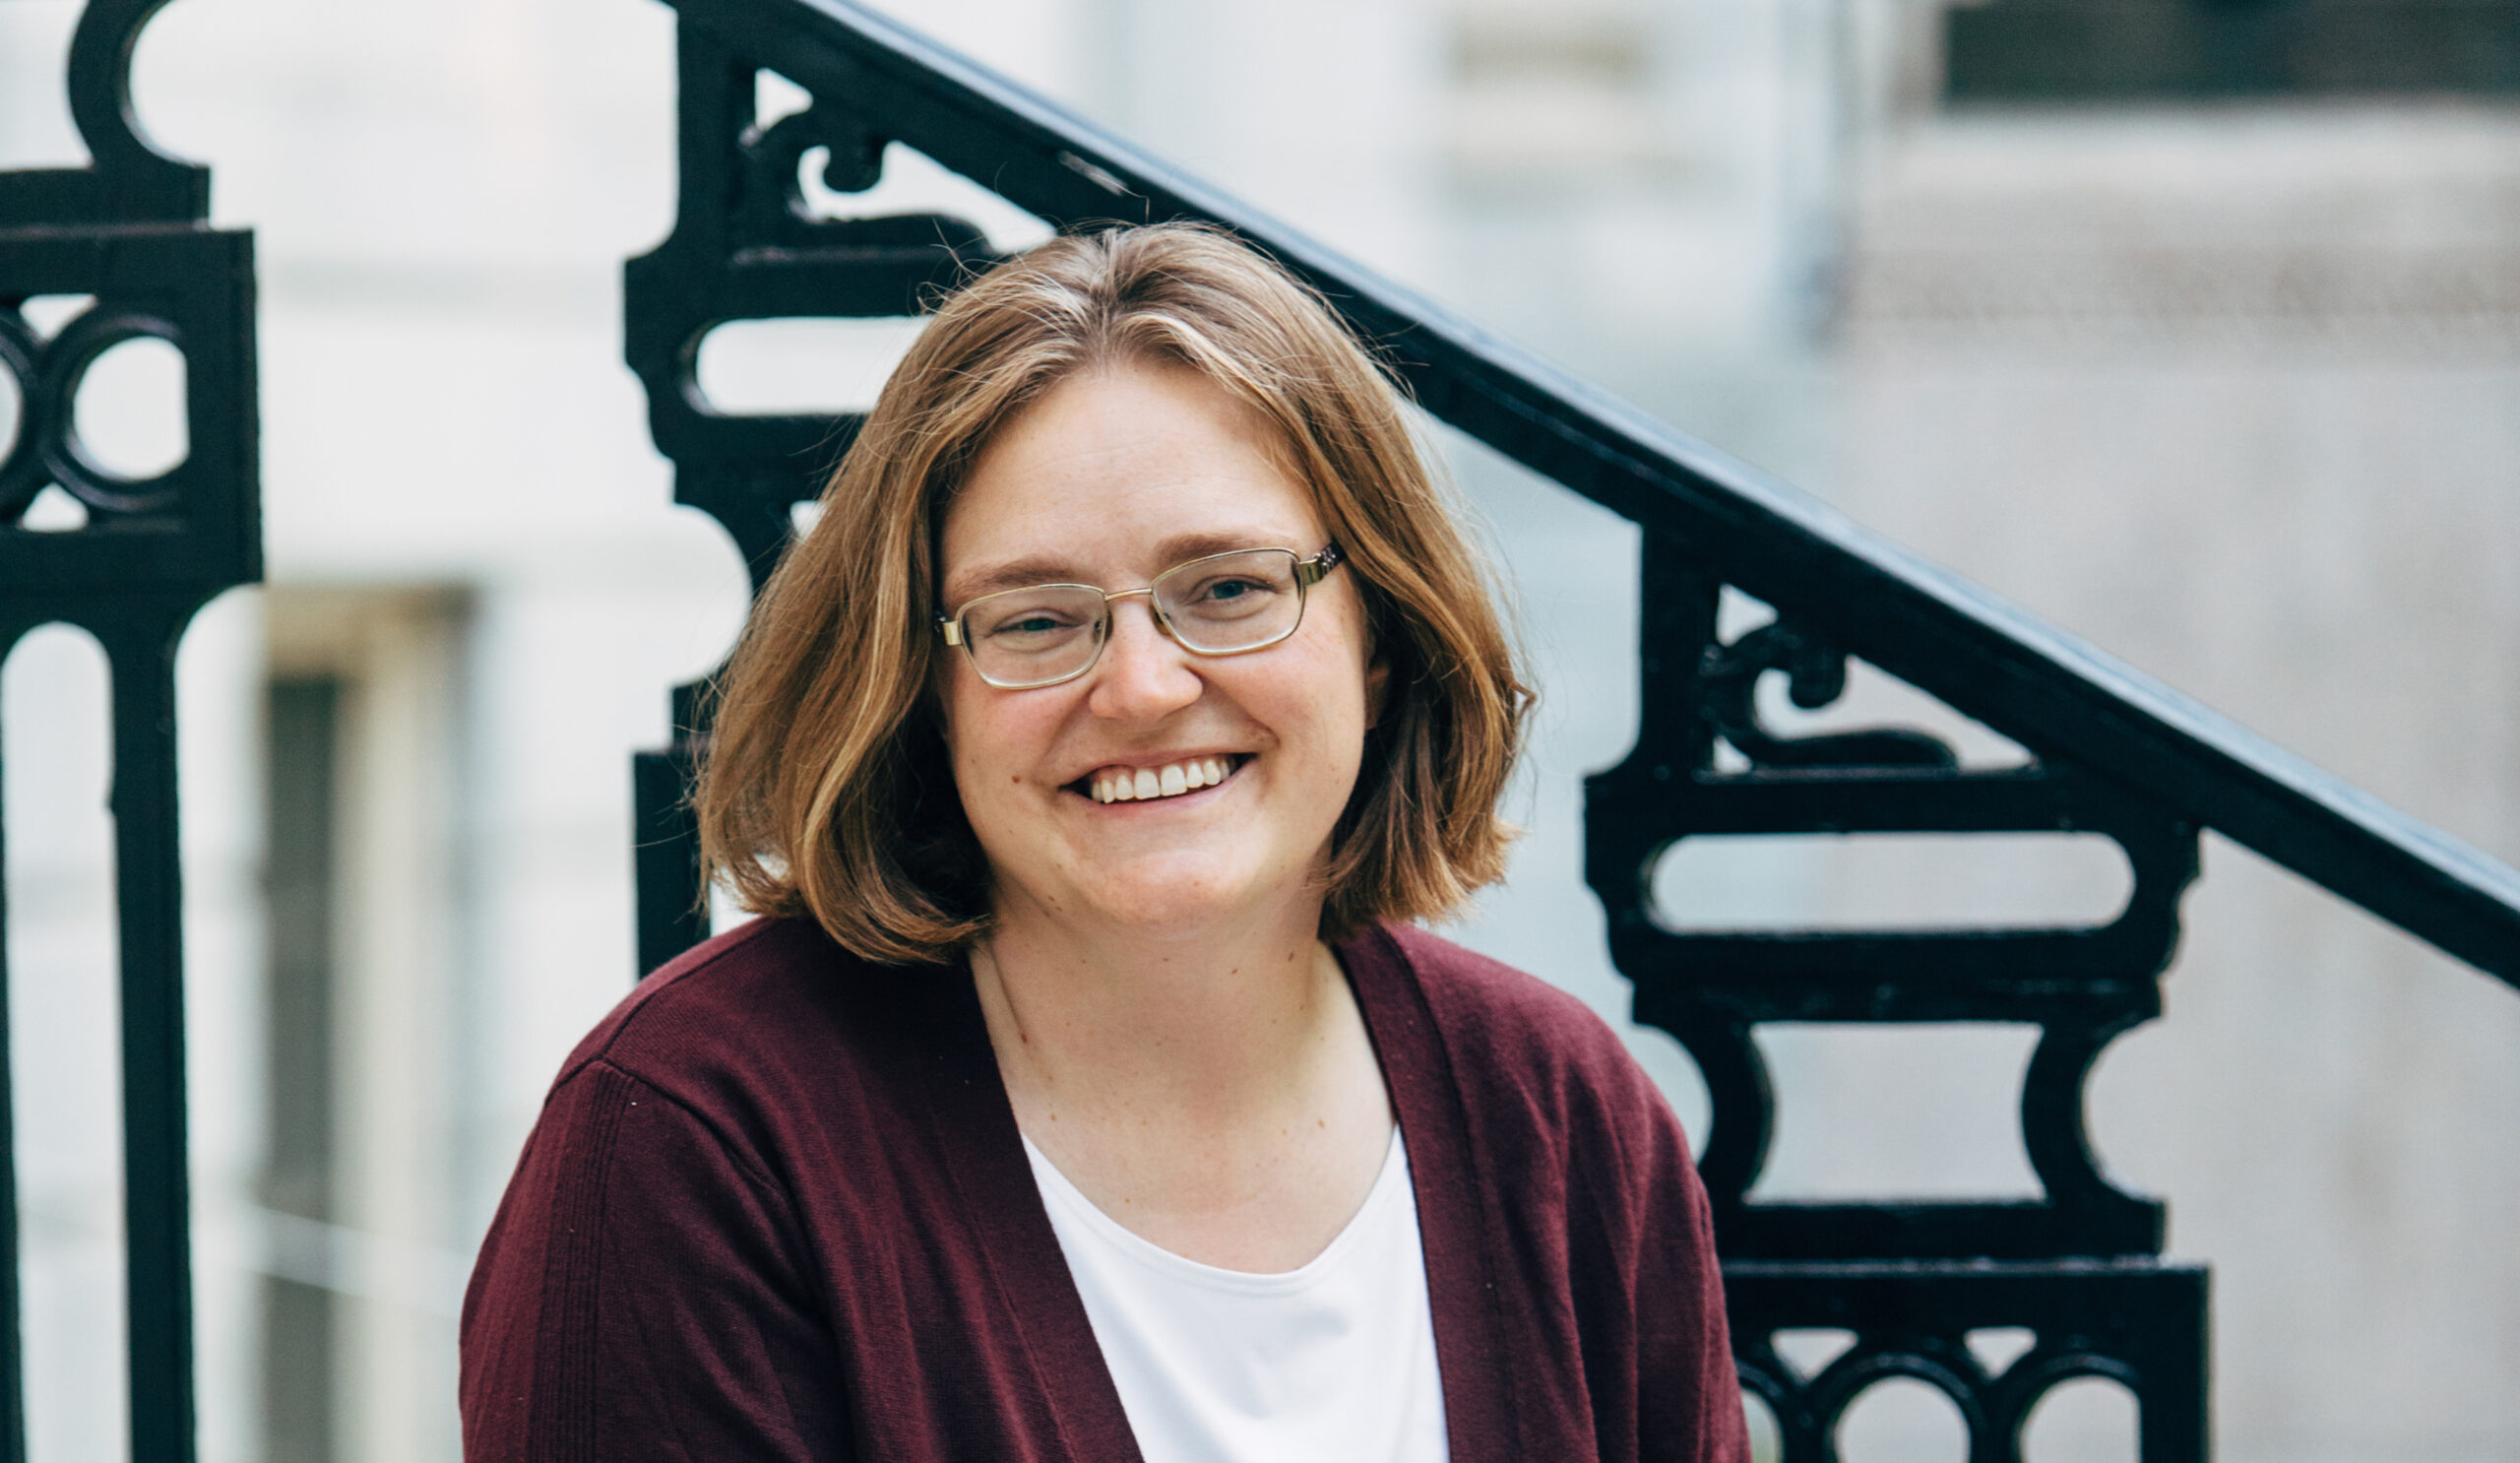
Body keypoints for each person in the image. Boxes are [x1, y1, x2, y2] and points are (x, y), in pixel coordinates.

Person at [460, 223, 1746, 1462]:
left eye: (1231, 588)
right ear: (921, 683)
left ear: (1380, 628)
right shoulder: (695, 1143)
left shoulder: (1565, 1122)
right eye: (1033, 617)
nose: (1138, 687)